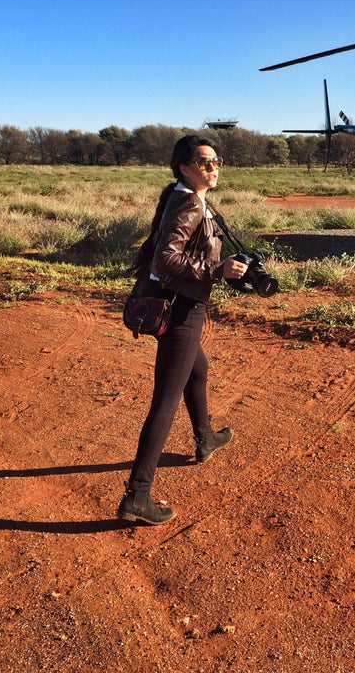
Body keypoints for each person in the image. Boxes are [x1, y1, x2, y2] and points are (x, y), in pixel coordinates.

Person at [117, 135, 248, 525]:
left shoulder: (183, 196)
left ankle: (205, 436)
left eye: (217, 161)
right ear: (184, 167)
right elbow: (165, 257)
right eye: (204, 162)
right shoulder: (189, 202)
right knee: (165, 400)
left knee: (198, 370)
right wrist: (216, 271)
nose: (213, 168)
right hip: (181, 310)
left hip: (174, 303)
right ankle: (138, 495)